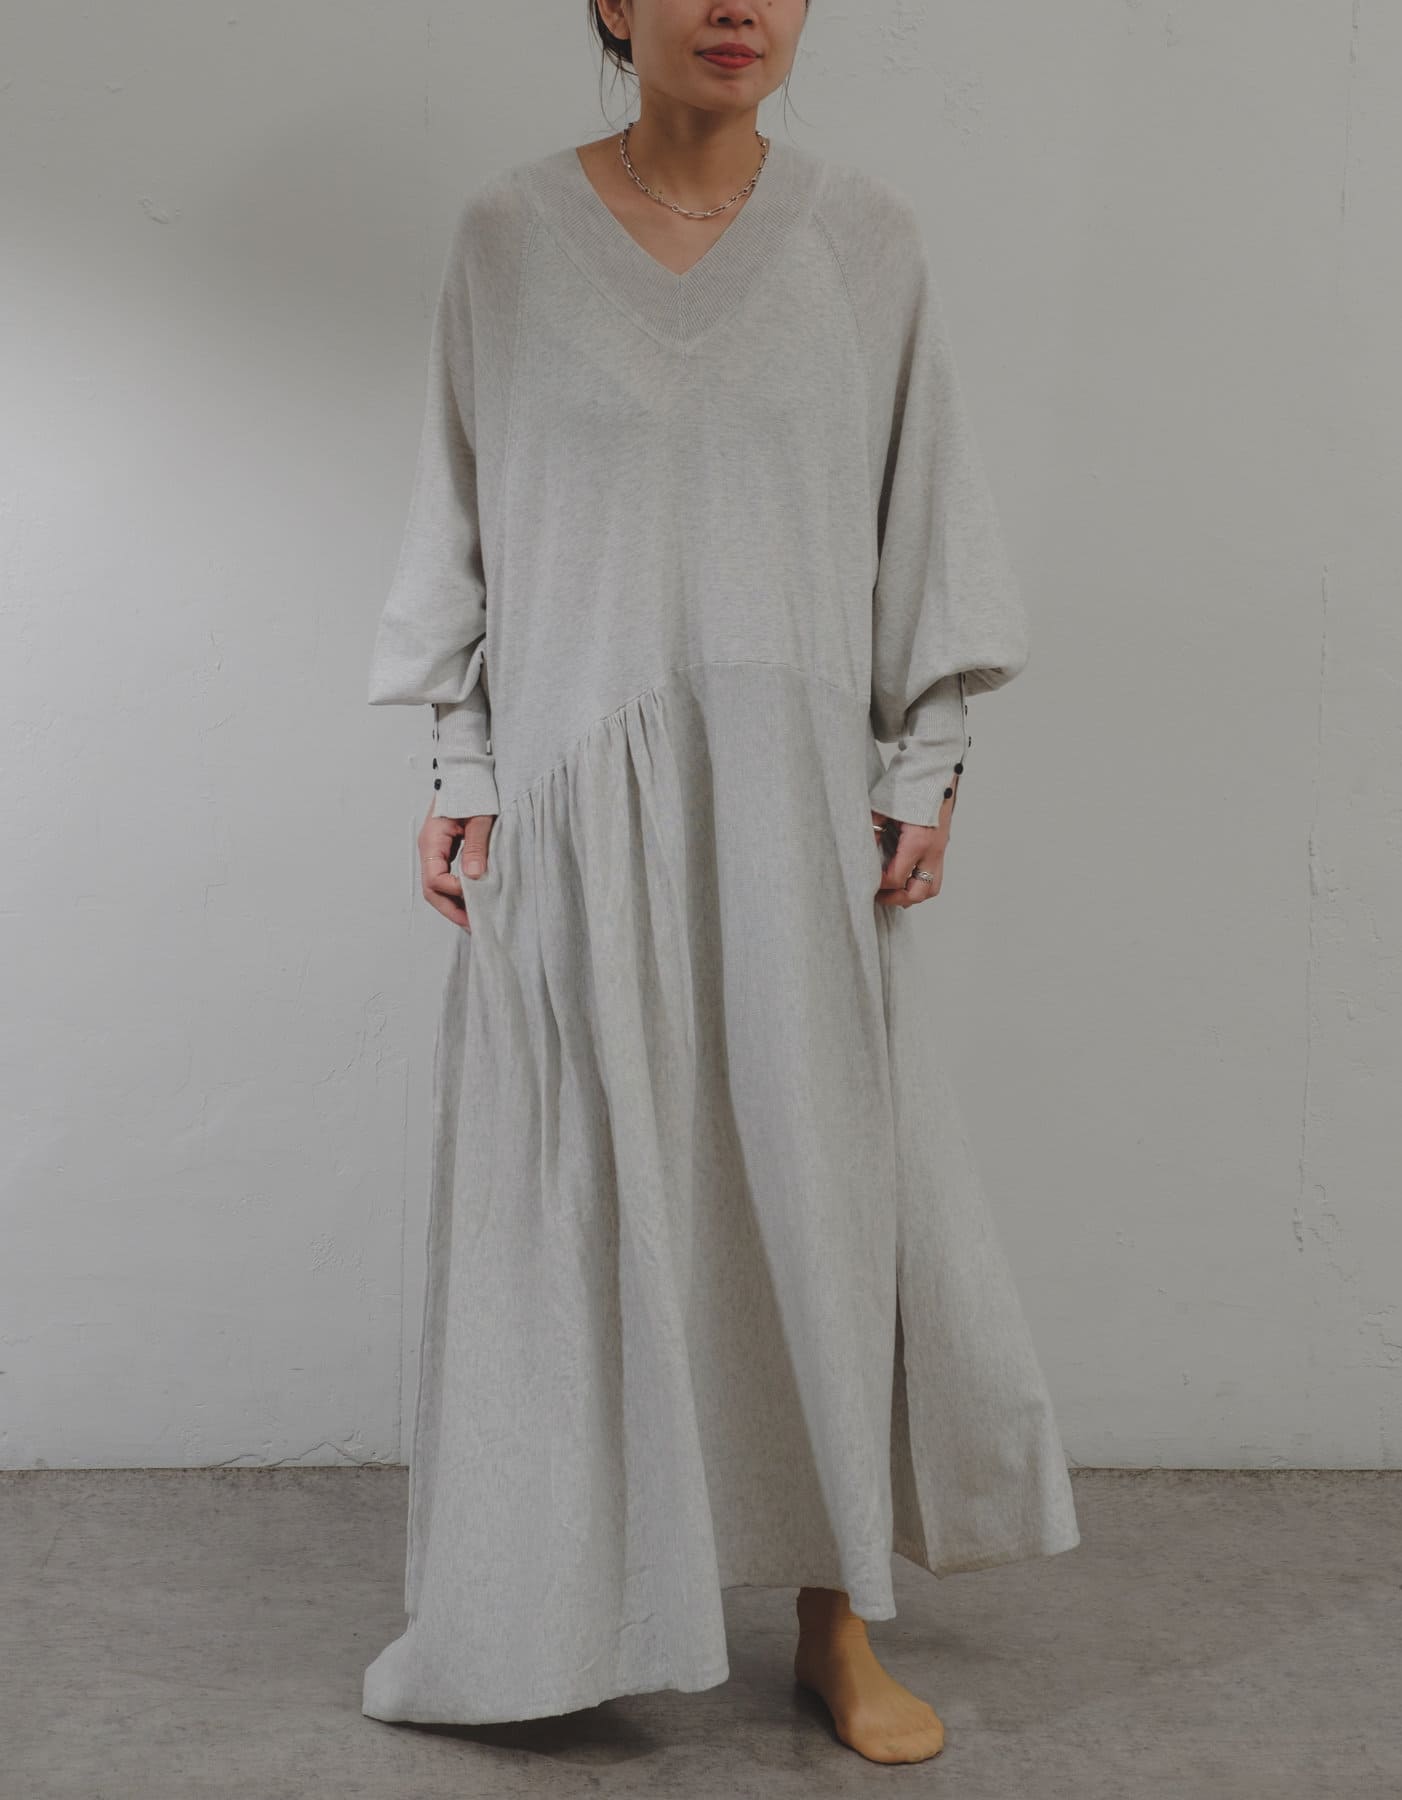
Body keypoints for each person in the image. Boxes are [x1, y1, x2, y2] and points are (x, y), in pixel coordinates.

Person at [361, 0, 1079, 1767]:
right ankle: (560, 1604)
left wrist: (925, 758)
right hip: (573, 808)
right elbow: (456, 516)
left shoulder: (865, 242)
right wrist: (458, 766)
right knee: (573, 1209)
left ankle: (837, 1621)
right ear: (612, 3)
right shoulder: (509, 237)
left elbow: (927, 515)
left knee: (819, 1202)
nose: (735, 4)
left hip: (790, 810)